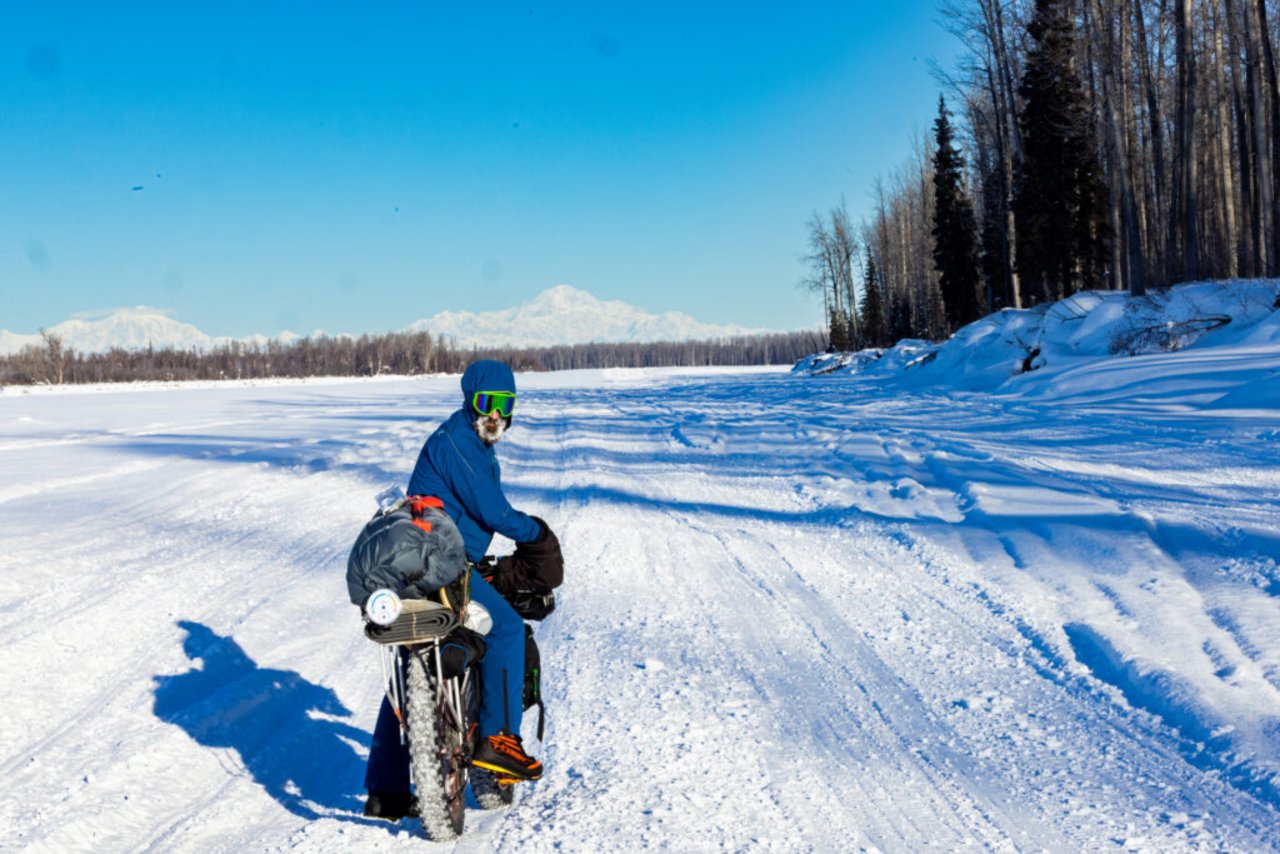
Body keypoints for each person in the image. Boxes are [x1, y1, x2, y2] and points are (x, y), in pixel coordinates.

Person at [364, 359, 549, 820]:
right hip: (440, 562)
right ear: (470, 401)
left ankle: (385, 790)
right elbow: (494, 511)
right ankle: (497, 740)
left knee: (414, 663)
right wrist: (538, 535)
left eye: (505, 406)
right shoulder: (460, 442)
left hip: (421, 560)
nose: (496, 416)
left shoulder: (467, 441)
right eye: (488, 403)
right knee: (505, 630)